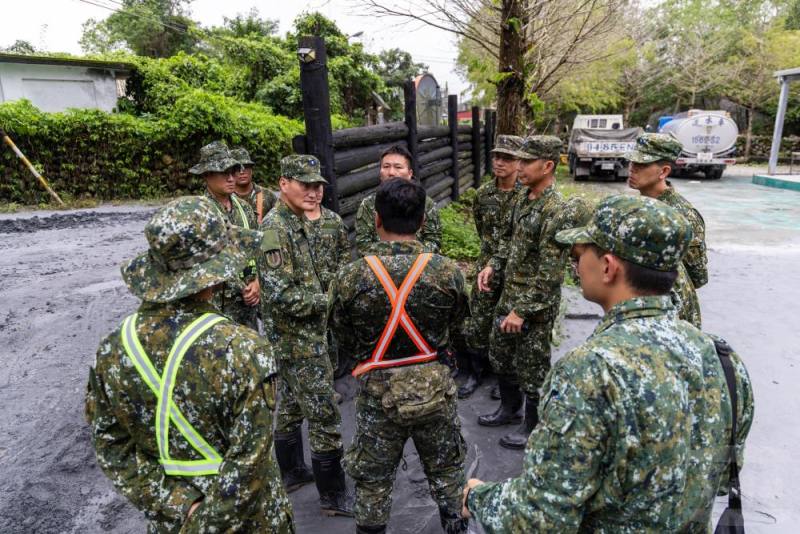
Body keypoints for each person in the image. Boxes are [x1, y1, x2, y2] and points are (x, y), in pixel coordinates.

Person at [462, 195, 754, 533]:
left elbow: (539, 517)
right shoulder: (723, 359)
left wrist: (477, 496)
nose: (574, 265)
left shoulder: (590, 370)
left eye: (578, 254)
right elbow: (720, 479)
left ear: (608, 267)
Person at [85, 196, 294, 533]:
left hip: (174, 523)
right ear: (214, 275)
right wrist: (206, 523)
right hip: (250, 523)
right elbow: (249, 464)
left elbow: (111, 446)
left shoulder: (113, 349)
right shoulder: (242, 349)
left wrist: (180, 505)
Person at [329, 178, 469, 534]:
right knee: (449, 475)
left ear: (376, 220)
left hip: (378, 395)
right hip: (435, 390)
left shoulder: (349, 276)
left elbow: (341, 334)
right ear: (423, 221)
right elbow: (458, 322)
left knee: (373, 482)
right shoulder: (447, 271)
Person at [475, 135, 585, 450]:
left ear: (548, 165)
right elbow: (509, 240)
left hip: (534, 305)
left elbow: (550, 274)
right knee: (500, 354)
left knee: (532, 366)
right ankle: (509, 409)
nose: (519, 167)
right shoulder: (525, 197)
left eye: (526, 162)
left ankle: (533, 427)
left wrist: (522, 311)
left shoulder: (556, 209)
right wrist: (493, 265)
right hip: (510, 293)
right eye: (518, 161)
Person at [259, 154, 353, 516]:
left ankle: (294, 472)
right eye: (305, 185)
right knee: (325, 415)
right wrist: (330, 300)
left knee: (292, 405)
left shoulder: (296, 222)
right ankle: (333, 497)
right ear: (284, 184)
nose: (314, 192)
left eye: (317, 186)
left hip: (306, 335)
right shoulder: (276, 230)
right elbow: (281, 296)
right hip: (298, 340)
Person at [458, 134, 523, 399]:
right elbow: (481, 229)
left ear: (520, 162)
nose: (500, 162)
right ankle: (476, 372)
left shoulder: (526, 195)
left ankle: (504, 378)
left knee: (506, 325)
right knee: (479, 320)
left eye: (508, 158)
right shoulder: (484, 194)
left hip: (514, 271)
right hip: (486, 268)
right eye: (497, 156)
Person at [626, 132, 708, 327]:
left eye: (642, 164)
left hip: (672, 319)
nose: (632, 169)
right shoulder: (637, 206)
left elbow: (697, 276)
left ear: (663, 172)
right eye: (632, 162)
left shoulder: (682, 215)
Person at [189, 141, 260, 330]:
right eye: (224, 173)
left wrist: (257, 282)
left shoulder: (244, 208)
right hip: (215, 311)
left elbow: (257, 248)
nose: (231, 178)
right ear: (207, 175)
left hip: (247, 307)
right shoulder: (199, 213)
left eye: (232, 172)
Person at [355, 145, 441, 255]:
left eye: (398, 167)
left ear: (410, 173)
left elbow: (434, 241)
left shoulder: (425, 203)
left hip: (418, 266)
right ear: (380, 172)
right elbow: (363, 244)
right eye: (386, 166)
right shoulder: (368, 204)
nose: (391, 172)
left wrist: (410, 259)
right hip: (378, 267)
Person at [305, 182, 352, 379]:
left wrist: (338, 281)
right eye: (309, 189)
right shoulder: (291, 223)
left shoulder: (333, 220)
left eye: (319, 189)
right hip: (308, 295)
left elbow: (344, 252)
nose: (314, 194)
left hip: (332, 291)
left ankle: (334, 373)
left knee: (334, 333)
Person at [231, 147, 277, 225]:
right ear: (230, 172)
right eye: (237, 168)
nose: (242, 172)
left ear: (251, 170)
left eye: (246, 167)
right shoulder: (225, 198)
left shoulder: (268, 196)